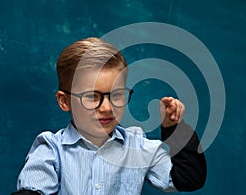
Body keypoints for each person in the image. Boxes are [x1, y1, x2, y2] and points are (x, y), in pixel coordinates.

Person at [13, 37, 206, 194]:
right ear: (64, 101)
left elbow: (189, 178)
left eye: (116, 95)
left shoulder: (137, 145)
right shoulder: (52, 149)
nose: (107, 108)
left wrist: (174, 129)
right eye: (91, 97)